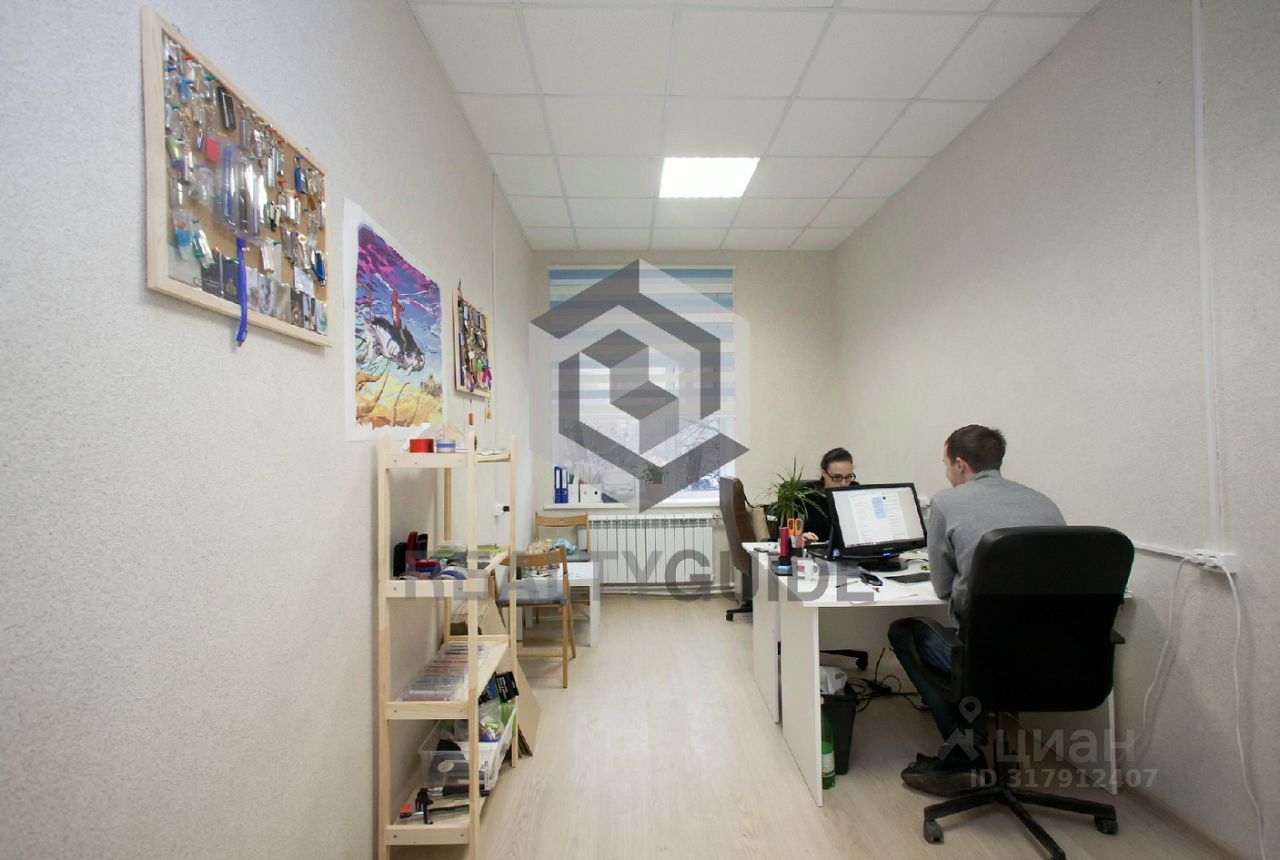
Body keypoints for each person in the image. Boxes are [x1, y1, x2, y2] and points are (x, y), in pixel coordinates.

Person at [888, 425, 1065, 795]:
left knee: (905, 632)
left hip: (985, 658)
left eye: (945, 463)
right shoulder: (1044, 503)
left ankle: (962, 754)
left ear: (960, 464)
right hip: (1054, 659)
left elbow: (942, 587)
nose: (946, 471)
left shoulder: (947, 503)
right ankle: (972, 728)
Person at [800, 447, 859, 543]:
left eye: (848, 477)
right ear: (824, 473)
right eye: (837, 477)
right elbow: (789, 534)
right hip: (816, 549)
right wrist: (800, 538)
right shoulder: (805, 496)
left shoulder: (856, 492)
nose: (843, 484)